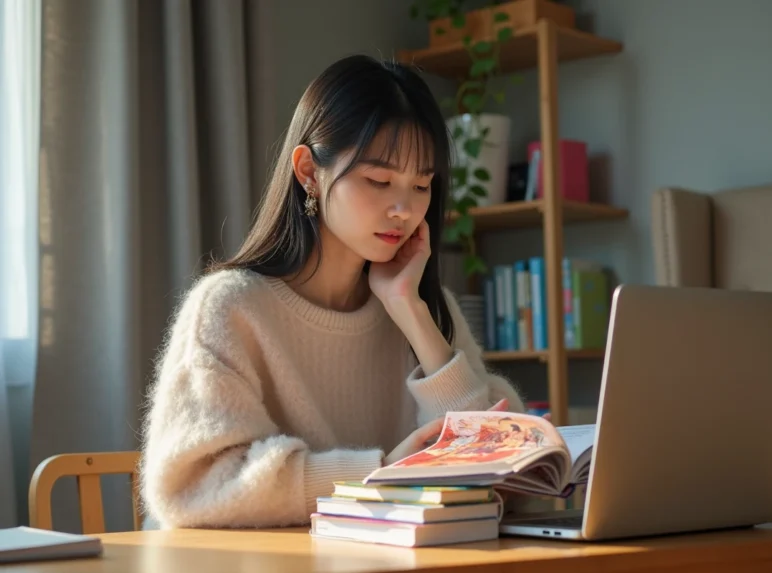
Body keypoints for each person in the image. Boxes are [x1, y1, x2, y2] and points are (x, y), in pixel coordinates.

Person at [138, 54, 526, 530]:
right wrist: (377, 475)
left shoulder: (427, 308)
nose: (404, 209)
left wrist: (412, 312)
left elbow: (501, 463)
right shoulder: (230, 308)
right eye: (379, 181)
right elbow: (194, 487)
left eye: (422, 185)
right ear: (308, 172)